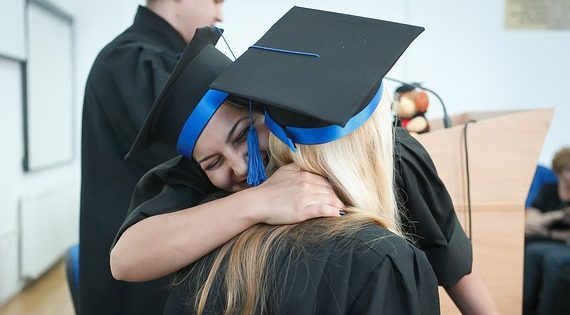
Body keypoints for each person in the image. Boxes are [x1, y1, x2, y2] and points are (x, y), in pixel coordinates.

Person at [111, 6, 496, 315]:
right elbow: (126, 260)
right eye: (213, 163)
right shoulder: (199, 178)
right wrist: (256, 202)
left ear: (265, 108)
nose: (240, 168)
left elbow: (453, 265)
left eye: (243, 135)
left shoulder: (388, 153)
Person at [79, 1, 224, 313]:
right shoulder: (132, 60)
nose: (220, 14)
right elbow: (195, 159)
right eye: (216, 0)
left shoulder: (145, 59)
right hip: (139, 275)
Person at [523, 147, 570, 315]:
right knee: (530, 249)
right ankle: (524, 308)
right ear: (559, 171)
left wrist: (544, 228)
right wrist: (556, 216)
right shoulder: (549, 189)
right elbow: (529, 223)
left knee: (551, 259)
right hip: (545, 238)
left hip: (562, 243)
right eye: (568, 169)